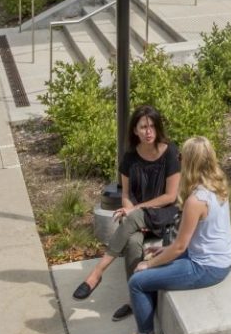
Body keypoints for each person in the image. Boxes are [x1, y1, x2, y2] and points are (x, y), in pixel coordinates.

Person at [117, 135, 231, 334]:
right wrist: (164, 252)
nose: (177, 159)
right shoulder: (218, 184)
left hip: (206, 267)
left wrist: (148, 264)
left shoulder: (196, 200)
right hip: (220, 257)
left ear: (188, 162)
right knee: (153, 263)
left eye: (180, 156)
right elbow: (186, 241)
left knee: (138, 281)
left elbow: (180, 246)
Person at [71, 106, 180, 316]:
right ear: (135, 131)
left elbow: (170, 196)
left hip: (164, 214)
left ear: (157, 128)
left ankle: (98, 272)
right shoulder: (130, 156)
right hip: (137, 217)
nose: (148, 131)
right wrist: (130, 208)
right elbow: (126, 194)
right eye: (143, 127)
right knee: (131, 242)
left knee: (134, 218)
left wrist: (134, 210)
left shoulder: (170, 152)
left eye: (151, 126)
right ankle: (135, 298)